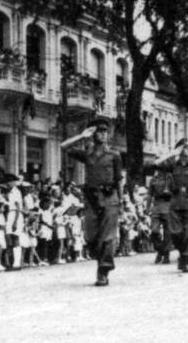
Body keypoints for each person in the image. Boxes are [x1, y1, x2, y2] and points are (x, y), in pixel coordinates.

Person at [61, 117, 123, 286]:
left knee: (108, 238)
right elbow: (63, 147)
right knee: (91, 236)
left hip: (110, 198)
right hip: (91, 198)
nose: (102, 134)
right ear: (93, 134)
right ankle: (99, 260)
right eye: (98, 131)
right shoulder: (86, 153)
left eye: (104, 131)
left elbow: (118, 180)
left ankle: (103, 271)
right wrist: (82, 136)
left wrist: (121, 201)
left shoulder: (114, 155)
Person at [146, 139, 188, 273]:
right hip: (175, 204)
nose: (186, 150)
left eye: (187, 148)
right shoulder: (172, 166)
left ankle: (186, 260)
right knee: (175, 233)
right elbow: (155, 164)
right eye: (183, 148)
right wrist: (171, 153)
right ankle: (182, 253)